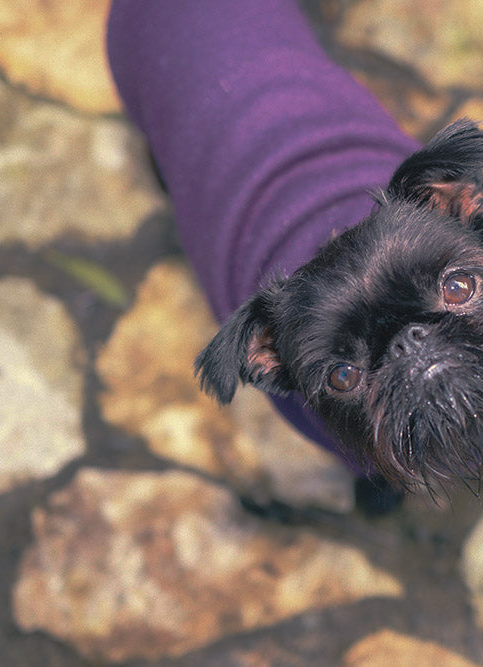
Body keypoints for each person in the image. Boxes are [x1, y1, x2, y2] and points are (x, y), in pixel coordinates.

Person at [106, 0, 422, 472]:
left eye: (459, 289)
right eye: (344, 374)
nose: (412, 348)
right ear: (269, 361)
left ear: (463, 204)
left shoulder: (430, 210)